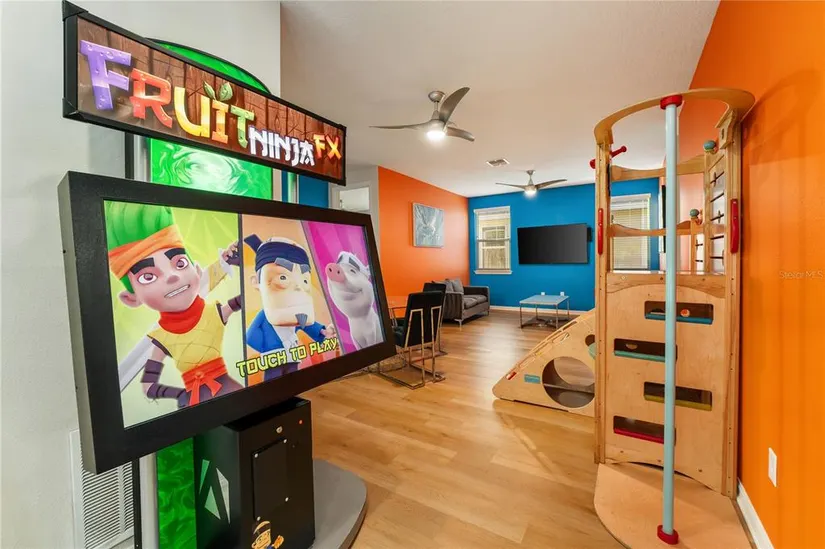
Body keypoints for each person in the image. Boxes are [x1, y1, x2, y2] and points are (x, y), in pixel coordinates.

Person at [108, 202, 243, 407]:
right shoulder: (161, 337)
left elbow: (244, 299)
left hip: (230, 393)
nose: (172, 276)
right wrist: (180, 394)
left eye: (180, 263)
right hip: (194, 405)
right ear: (131, 298)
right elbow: (149, 387)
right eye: (147, 277)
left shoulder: (212, 313)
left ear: (196, 270)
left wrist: (248, 265)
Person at [244, 235, 336, 381]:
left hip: (292, 355)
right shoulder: (265, 315)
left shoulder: (296, 314)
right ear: (257, 282)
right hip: (274, 360)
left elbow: (307, 325)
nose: (298, 287)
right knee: (273, 385)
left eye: (304, 280)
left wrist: (323, 332)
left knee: (293, 382)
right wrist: (269, 348)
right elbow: (250, 336)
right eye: (283, 277)